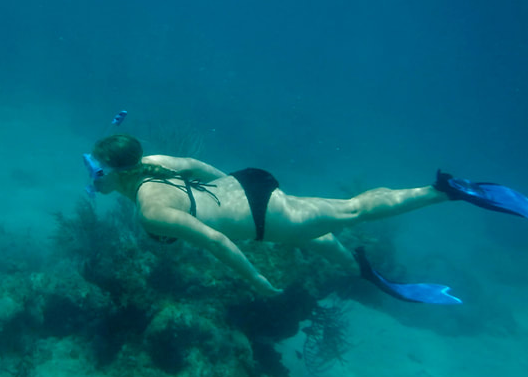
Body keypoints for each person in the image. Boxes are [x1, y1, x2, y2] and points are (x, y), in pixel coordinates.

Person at [84, 134, 528, 304]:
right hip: (247, 187)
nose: (93, 177)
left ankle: (444, 191)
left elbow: (217, 242)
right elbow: (198, 168)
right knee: (313, 236)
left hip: (263, 216)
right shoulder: (154, 162)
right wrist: (234, 188)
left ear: (113, 171)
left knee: (352, 210)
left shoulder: (151, 210)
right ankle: (361, 270)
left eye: (96, 170)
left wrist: (257, 281)